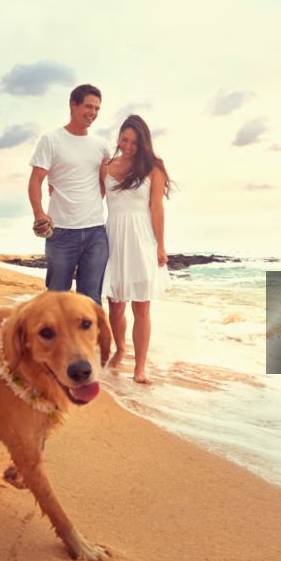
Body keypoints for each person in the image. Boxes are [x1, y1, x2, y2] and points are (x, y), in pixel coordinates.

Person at [101, 114, 172, 384]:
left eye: (134, 142)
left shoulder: (153, 168)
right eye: (125, 140)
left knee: (142, 307)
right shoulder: (106, 167)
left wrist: (161, 245)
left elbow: (157, 208)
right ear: (119, 138)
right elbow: (90, 197)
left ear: (143, 142)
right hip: (113, 238)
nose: (129, 146)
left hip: (142, 240)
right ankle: (120, 348)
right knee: (116, 305)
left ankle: (139, 368)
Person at [28, 84, 111, 306]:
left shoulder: (102, 146)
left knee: (91, 300)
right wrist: (39, 214)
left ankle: (89, 333)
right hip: (61, 232)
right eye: (88, 106)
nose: (93, 113)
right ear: (73, 105)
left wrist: (92, 204)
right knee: (57, 298)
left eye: (97, 109)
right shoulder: (51, 140)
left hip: (96, 231)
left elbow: (106, 182)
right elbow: (35, 180)